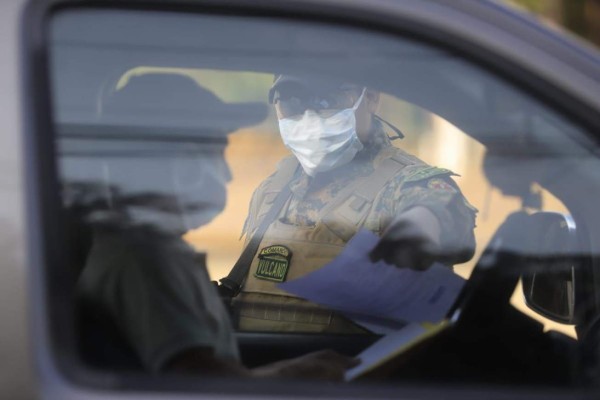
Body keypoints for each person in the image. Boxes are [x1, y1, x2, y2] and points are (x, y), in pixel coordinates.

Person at [64, 73, 357, 378]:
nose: (228, 174)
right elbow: (201, 382)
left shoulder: (147, 250)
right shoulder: (143, 260)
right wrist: (296, 374)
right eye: (216, 151)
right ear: (179, 163)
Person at [225, 75, 478, 333]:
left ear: (370, 98)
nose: (310, 116)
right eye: (293, 101)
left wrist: (418, 229)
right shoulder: (272, 189)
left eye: (328, 99)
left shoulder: (407, 183)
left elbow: (440, 207)